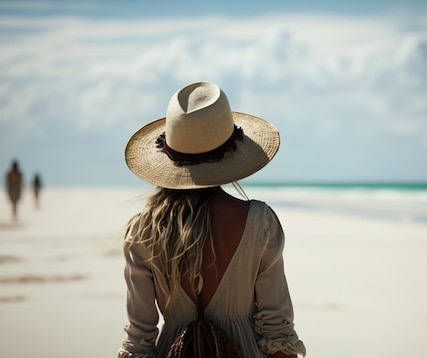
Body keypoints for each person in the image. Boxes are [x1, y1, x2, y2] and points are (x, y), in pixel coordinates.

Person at [118, 81, 306, 357]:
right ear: (230, 154)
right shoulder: (259, 222)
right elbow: (277, 332)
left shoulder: (143, 232)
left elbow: (139, 341)